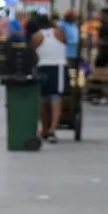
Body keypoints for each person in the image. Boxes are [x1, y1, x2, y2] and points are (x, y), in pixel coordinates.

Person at [30, 14, 68, 143]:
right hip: (59, 68)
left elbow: (34, 55)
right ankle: (52, 129)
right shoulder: (59, 33)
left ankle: (44, 128)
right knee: (56, 98)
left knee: (43, 99)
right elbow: (65, 44)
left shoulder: (36, 37)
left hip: (42, 68)